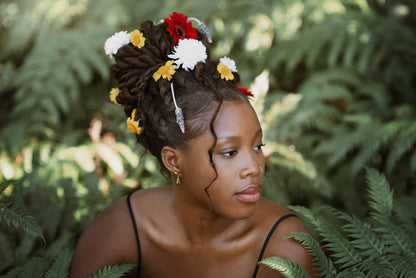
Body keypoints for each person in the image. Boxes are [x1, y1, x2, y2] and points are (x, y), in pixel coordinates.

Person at [70, 12, 317, 278]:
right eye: (230, 152)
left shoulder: (286, 251)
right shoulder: (122, 231)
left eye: (257, 146)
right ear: (173, 161)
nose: (254, 168)